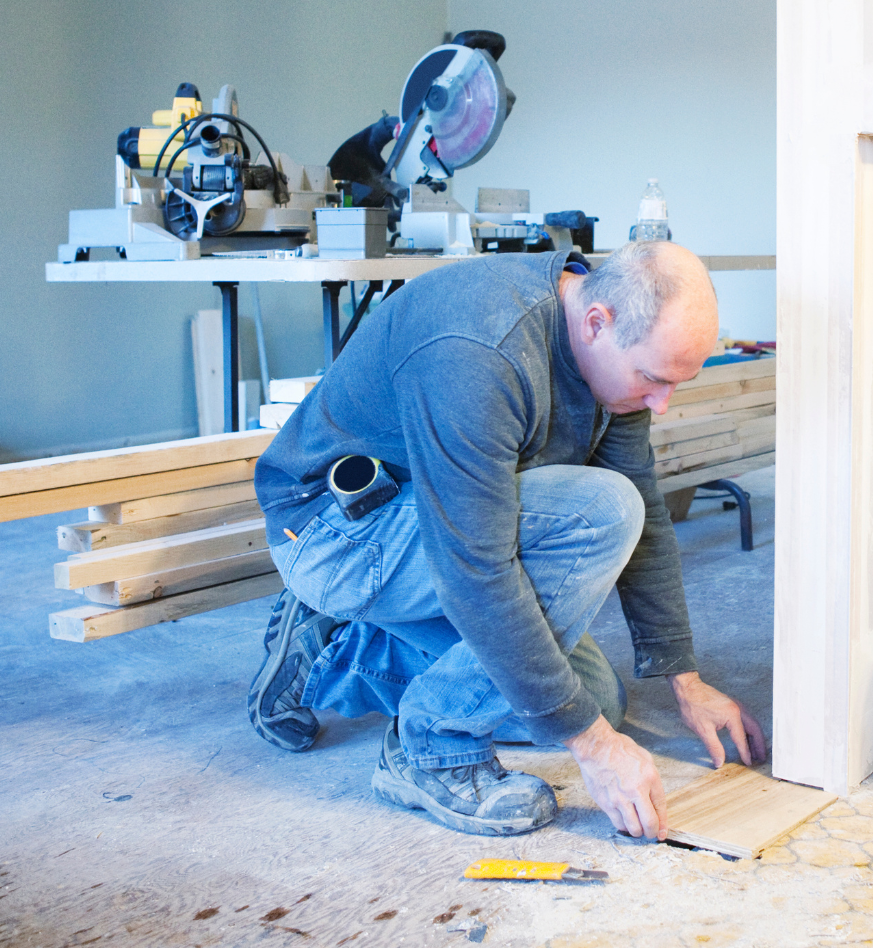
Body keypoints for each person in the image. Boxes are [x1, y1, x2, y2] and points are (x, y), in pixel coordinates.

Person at [245, 240, 766, 839]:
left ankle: (335, 651)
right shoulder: (478, 349)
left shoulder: (612, 357)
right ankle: (431, 748)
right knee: (600, 514)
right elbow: (476, 569)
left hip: (434, 525)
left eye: (674, 384)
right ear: (598, 322)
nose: (662, 404)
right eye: (652, 380)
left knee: (592, 696)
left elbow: (646, 509)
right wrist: (595, 750)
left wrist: (685, 678)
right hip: (335, 533)